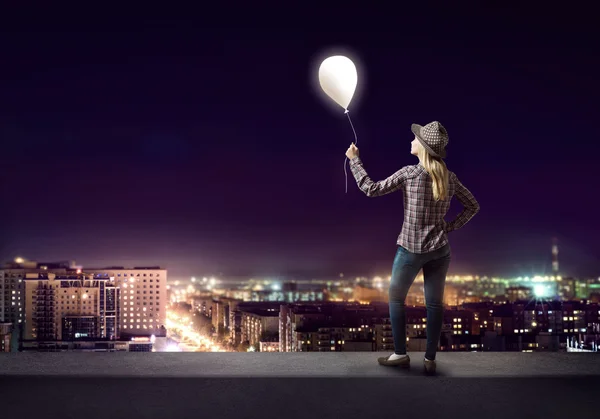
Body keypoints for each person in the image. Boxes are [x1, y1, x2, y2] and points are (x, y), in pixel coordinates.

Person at [345, 121, 480, 374]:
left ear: (424, 148)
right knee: (435, 305)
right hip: (440, 250)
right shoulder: (449, 178)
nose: (412, 140)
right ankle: (430, 359)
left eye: (415, 138)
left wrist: (354, 160)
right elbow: (473, 206)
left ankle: (400, 354)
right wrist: (448, 228)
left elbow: (370, 189)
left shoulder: (410, 173)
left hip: (410, 249)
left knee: (396, 299)